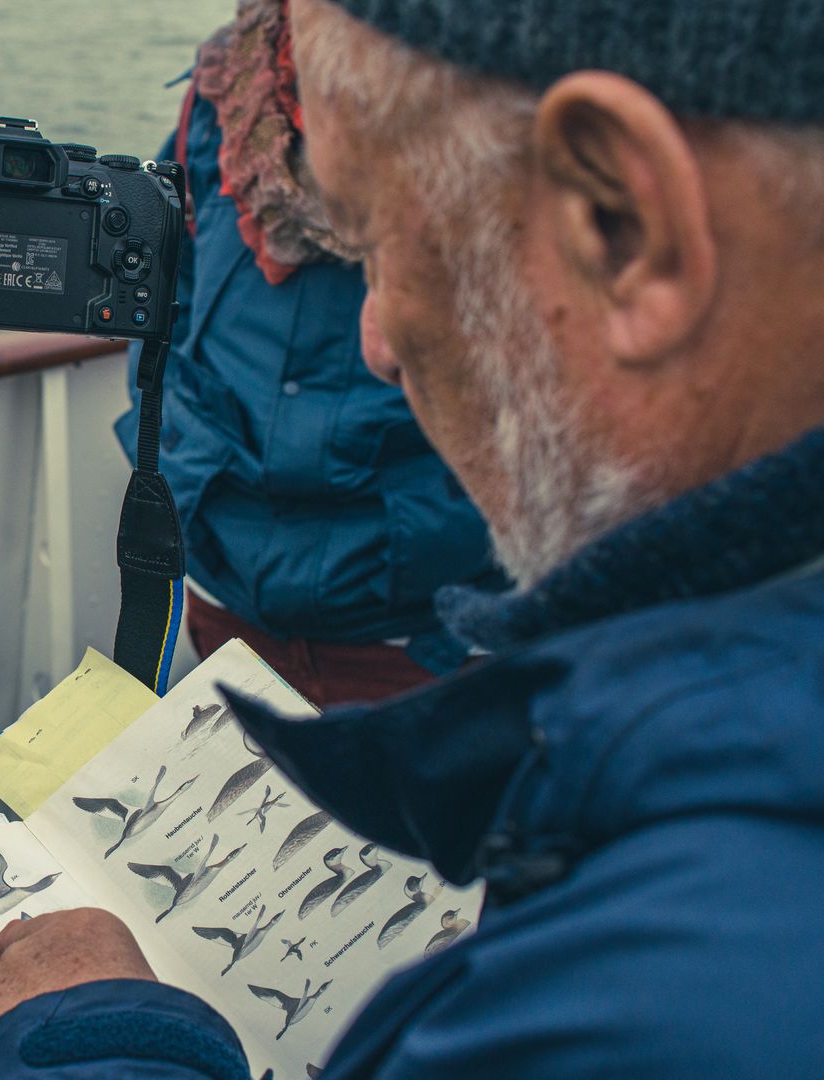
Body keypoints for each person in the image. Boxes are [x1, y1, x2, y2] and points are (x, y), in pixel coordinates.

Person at [0, 0, 824, 1075]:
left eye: (376, 239)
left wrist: (98, 1035)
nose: (377, 339)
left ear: (625, 224)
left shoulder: (658, 999)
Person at [122, 0, 496, 707]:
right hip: (222, 595)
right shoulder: (224, 94)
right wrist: (182, 448)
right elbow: (167, 302)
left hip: (431, 632)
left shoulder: (509, 106)